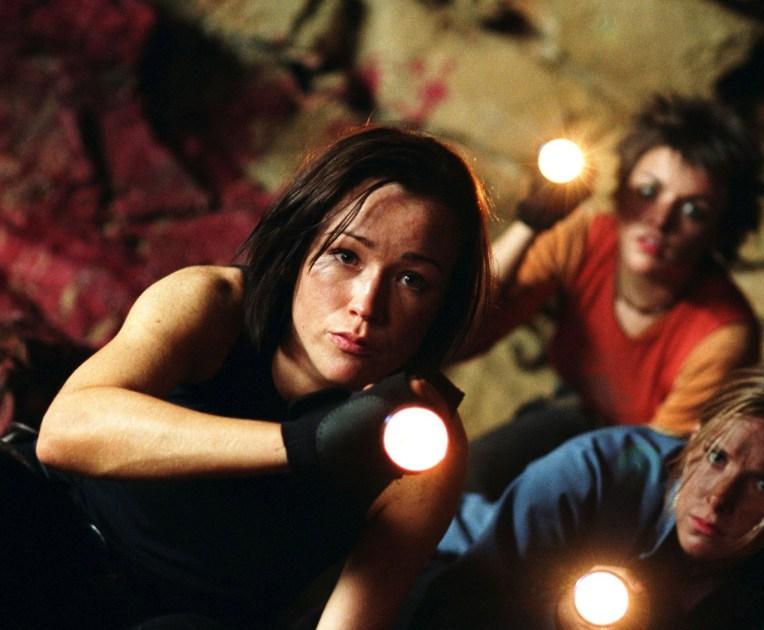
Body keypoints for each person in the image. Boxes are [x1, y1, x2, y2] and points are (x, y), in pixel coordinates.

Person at [1, 127, 491, 629]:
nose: (366, 305)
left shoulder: (423, 446)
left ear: (442, 306)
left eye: (412, 280)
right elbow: (63, 434)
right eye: (346, 256)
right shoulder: (213, 303)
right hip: (43, 527)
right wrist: (305, 445)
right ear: (299, 246)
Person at [462, 94, 764, 498]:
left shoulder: (721, 333)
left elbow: (656, 465)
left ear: (720, 231)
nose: (660, 220)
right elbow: (464, 327)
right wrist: (529, 225)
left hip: (650, 470)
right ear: (622, 191)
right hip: (574, 413)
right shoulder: (585, 239)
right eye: (648, 191)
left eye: (693, 211)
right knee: (469, 478)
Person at [407, 365, 764, 629]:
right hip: (446, 552)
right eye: (716, 457)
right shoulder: (598, 470)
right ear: (694, 438)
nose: (718, 499)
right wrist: (562, 617)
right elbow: (459, 608)